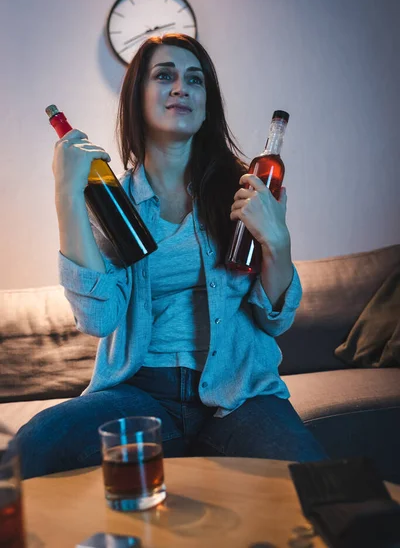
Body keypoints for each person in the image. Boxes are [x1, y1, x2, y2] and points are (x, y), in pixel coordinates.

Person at [15, 34, 327, 478]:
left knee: (320, 485)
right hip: (142, 396)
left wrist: (278, 240)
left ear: (206, 102)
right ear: (137, 97)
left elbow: (275, 319)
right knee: (35, 445)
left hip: (239, 393)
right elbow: (99, 320)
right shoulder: (113, 200)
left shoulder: (246, 190)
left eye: (194, 80)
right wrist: (67, 193)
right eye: (165, 75)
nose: (182, 87)